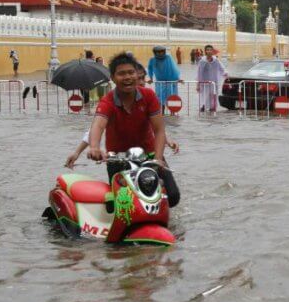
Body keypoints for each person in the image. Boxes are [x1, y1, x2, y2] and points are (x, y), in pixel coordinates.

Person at [86, 52, 180, 207]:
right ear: (113, 78)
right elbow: (98, 124)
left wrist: (158, 159)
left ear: (138, 74)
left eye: (131, 72)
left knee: (173, 196)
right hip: (118, 159)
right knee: (122, 203)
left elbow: (159, 130)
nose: (127, 77)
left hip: (149, 155)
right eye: (121, 74)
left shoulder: (149, 96)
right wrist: (94, 147)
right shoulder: (107, 101)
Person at [147, 46, 183, 114]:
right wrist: (151, 78)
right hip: (160, 82)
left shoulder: (168, 57)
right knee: (160, 97)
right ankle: (162, 113)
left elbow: (173, 68)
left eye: (162, 51)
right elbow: (150, 69)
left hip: (171, 81)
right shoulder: (152, 59)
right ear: (155, 53)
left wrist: (178, 78)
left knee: (172, 96)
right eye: (158, 52)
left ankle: (172, 113)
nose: (160, 53)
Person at [196, 45, 227, 113]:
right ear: (205, 51)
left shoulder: (216, 60)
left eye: (210, 50)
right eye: (207, 50)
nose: (209, 51)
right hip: (205, 82)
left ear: (212, 51)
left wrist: (225, 73)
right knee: (205, 95)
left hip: (214, 81)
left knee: (213, 94)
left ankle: (212, 108)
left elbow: (221, 68)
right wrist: (198, 84)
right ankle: (203, 106)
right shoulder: (202, 61)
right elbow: (199, 72)